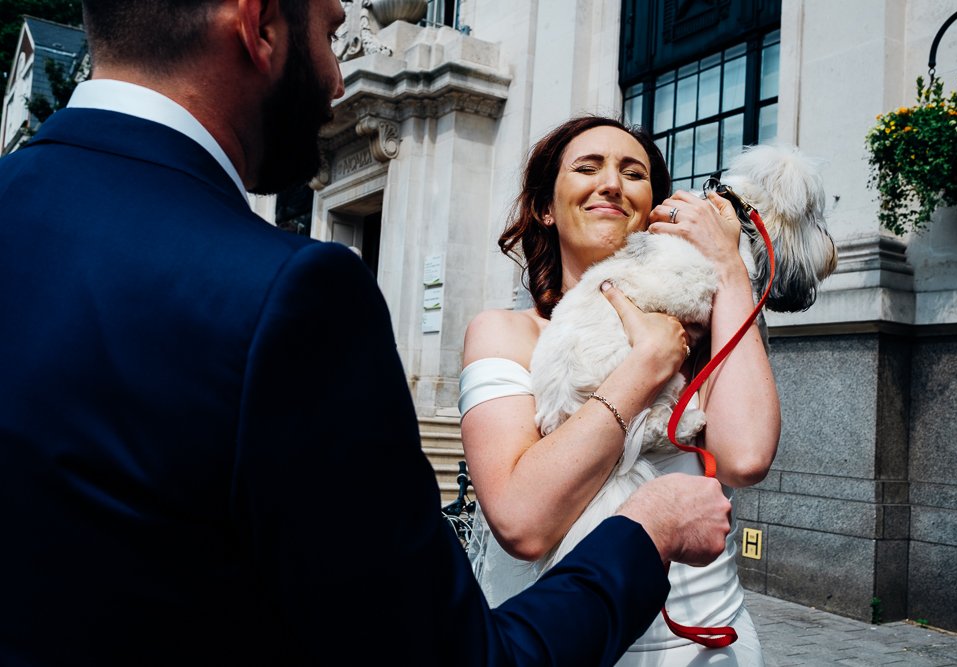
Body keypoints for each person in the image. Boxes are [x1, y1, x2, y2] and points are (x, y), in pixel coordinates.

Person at [0, 2, 736, 665]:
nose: (335, 80)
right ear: (259, 28)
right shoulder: (293, 297)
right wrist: (648, 529)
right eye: (327, 34)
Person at [459, 115, 781, 665]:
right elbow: (522, 521)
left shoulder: (706, 323)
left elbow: (746, 457)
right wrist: (649, 364)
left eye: (633, 173)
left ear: (651, 206)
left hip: (705, 643)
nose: (612, 182)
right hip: (569, 642)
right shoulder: (506, 333)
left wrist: (728, 264)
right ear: (544, 207)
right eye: (588, 167)